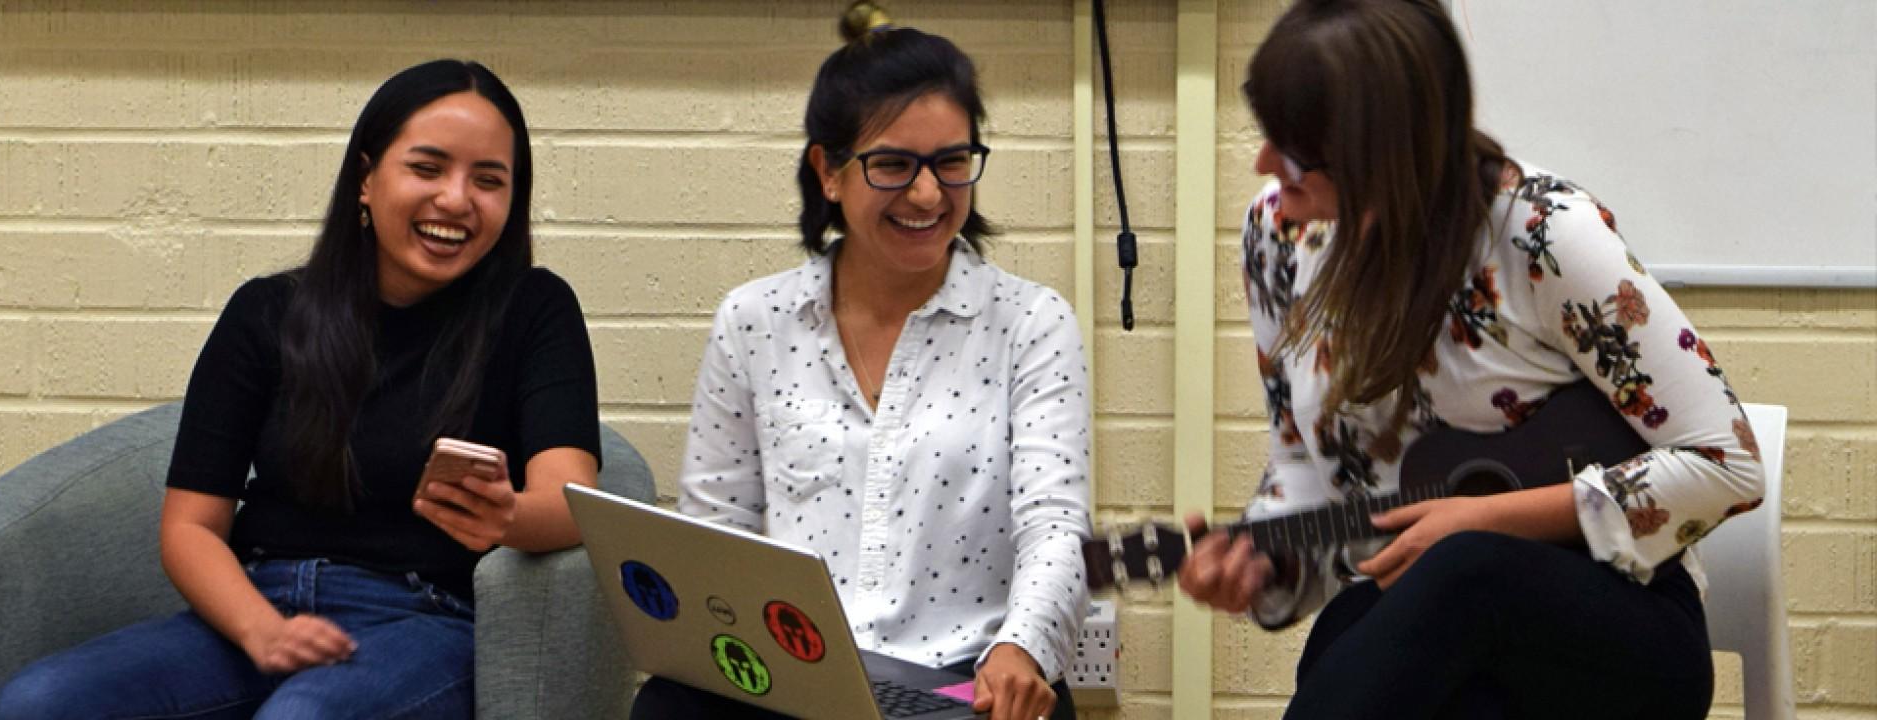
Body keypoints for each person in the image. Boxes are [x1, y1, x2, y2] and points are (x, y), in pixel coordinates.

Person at [1176, 1, 1767, 718]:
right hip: (1443, 615)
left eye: (1296, 153)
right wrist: (1265, 561)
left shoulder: (1540, 233)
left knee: (1461, 572)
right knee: (1351, 631)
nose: (1265, 166)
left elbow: (1725, 463)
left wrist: (1488, 521)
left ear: (1388, 157)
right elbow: (1308, 471)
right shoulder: (1279, 235)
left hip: (1620, 623)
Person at [0, 59, 602, 720]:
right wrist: (263, 631)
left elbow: (573, 502)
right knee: (38, 701)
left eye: (488, 180)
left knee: (302, 715)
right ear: (366, 179)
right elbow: (191, 527)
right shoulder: (266, 312)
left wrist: (508, 517)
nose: (456, 199)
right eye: (427, 168)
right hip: (258, 602)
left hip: (423, 619)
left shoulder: (534, 309)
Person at [631, 3, 1091, 719]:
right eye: (892, 165)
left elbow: (1055, 525)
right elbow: (716, 532)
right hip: (793, 671)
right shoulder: (754, 322)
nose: (928, 194)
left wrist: (1022, 647)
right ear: (829, 172)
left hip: (961, 679)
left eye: (951, 162)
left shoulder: (1030, 322)